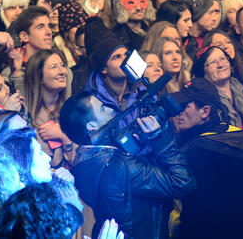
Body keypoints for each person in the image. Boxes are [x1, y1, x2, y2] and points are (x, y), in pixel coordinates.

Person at [60, 91, 196, 239]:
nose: (111, 110)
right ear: (92, 126)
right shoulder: (120, 166)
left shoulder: (81, 165)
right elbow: (183, 182)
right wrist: (160, 139)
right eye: (103, 108)